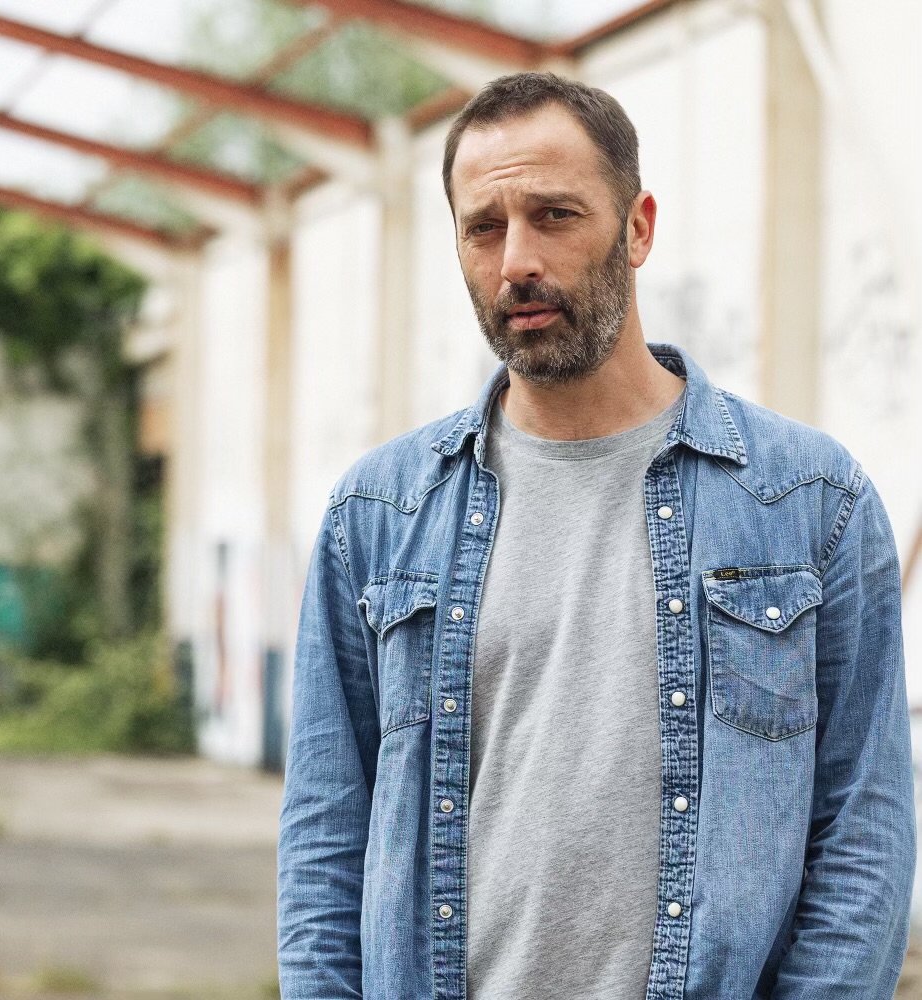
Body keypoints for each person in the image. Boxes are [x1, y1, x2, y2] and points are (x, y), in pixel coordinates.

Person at [276, 71, 914, 1000]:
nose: (517, 261)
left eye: (555, 216)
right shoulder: (378, 515)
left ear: (638, 227)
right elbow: (325, 840)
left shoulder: (810, 500)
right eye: (483, 228)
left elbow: (863, 833)